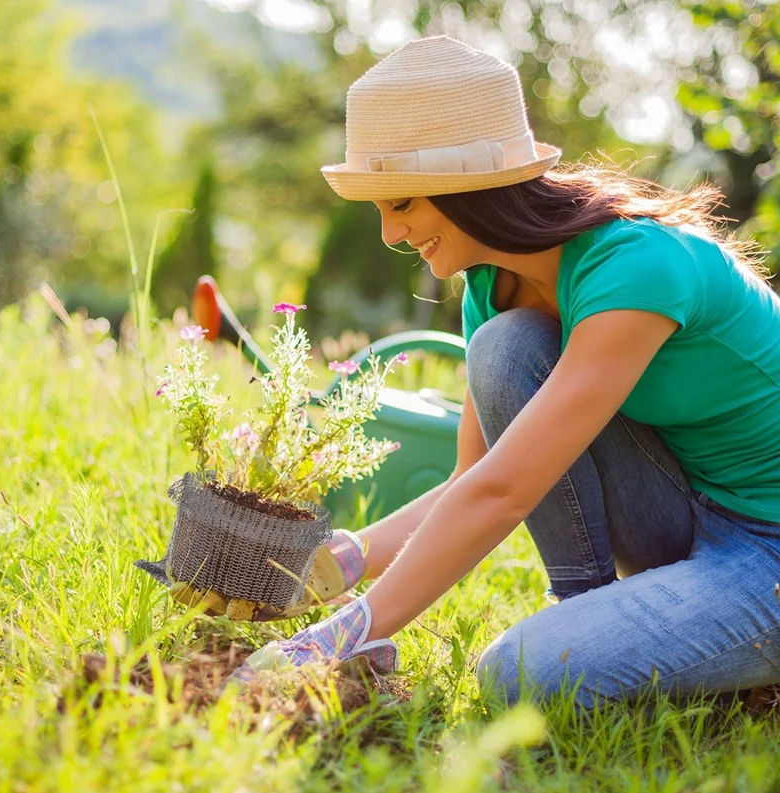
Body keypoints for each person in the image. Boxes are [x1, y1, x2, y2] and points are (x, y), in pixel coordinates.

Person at [226, 35, 780, 708]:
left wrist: (332, 639)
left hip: (770, 554)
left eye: (401, 204)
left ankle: (711, 668)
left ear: (471, 191)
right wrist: (335, 562)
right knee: (505, 345)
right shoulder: (494, 287)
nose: (389, 235)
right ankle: (598, 618)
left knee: (518, 675)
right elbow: (473, 479)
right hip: (690, 507)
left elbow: (506, 492)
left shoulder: (637, 267)